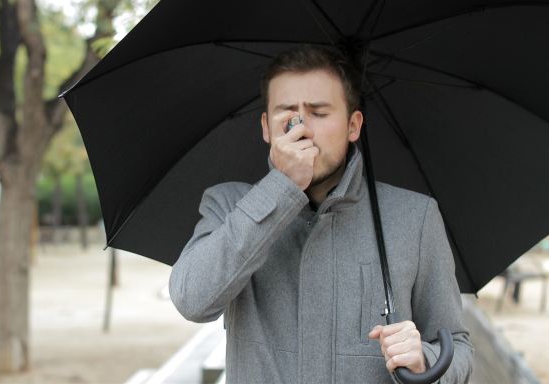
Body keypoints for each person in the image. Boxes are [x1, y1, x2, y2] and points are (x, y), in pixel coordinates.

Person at [169, 45, 473, 383]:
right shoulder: (227, 205)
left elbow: (457, 348)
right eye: (288, 113)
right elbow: (192, 300)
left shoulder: (415, 217)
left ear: (353, 125)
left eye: (319, 112)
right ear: (267, 128)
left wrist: (425, 359)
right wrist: (280, 188)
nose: (302, 128)